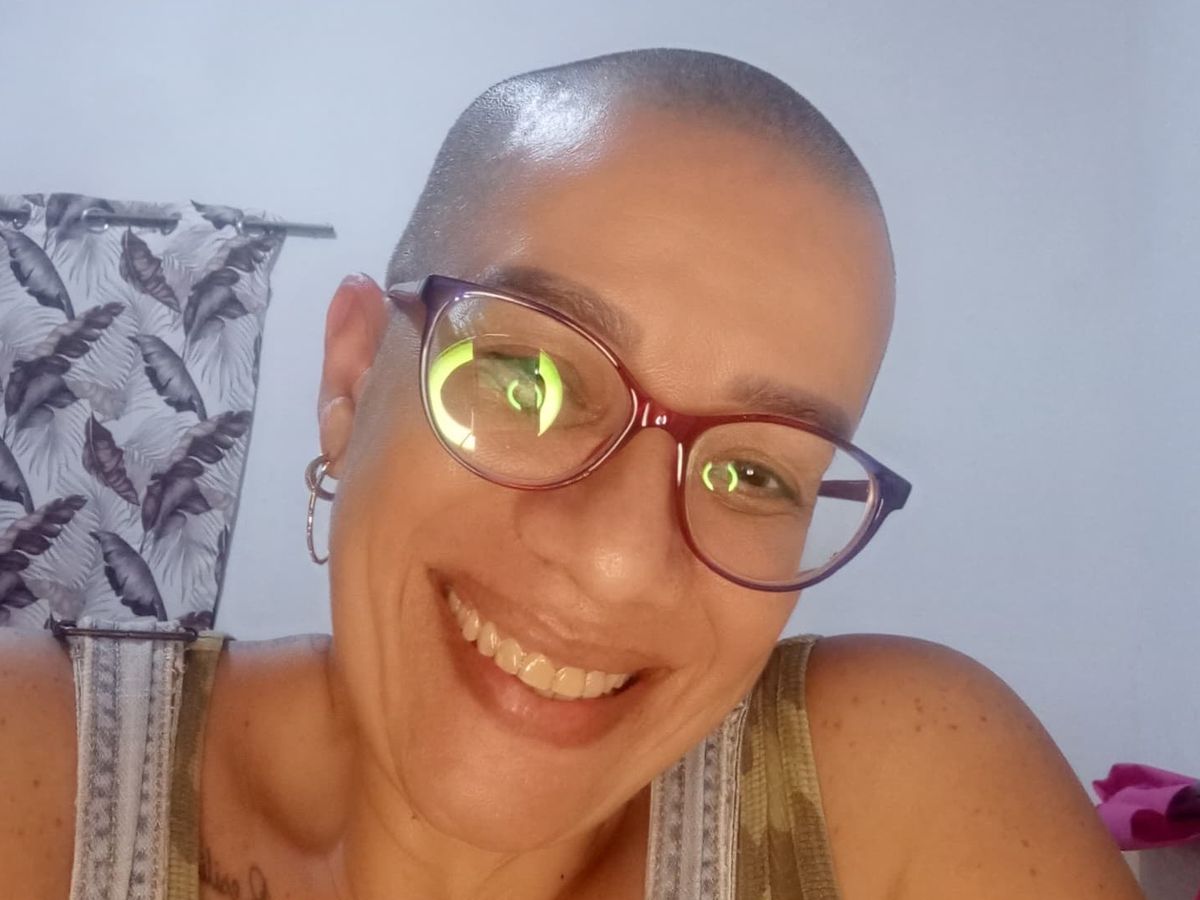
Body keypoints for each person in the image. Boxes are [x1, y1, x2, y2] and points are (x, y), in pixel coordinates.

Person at [0, 49, 1142, 900]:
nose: (616, 560)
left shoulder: (896, 796)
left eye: (753, 474)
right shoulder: (34, 768)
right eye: (528, 377)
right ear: (352, 379)